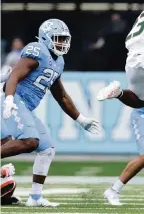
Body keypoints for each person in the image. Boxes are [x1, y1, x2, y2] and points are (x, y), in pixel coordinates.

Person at [1, 19, 100, 207]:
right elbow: (14, 75)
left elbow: (61, 96)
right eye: (58, 38)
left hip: (24, 105)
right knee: (30, 141)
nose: (62, 43)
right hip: (12, 99)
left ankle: (35, 198)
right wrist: (8, 99)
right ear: (46, 38)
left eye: (64, 39)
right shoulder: (37, 51)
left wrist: (81, 119)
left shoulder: (58, 61)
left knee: (46, 149)